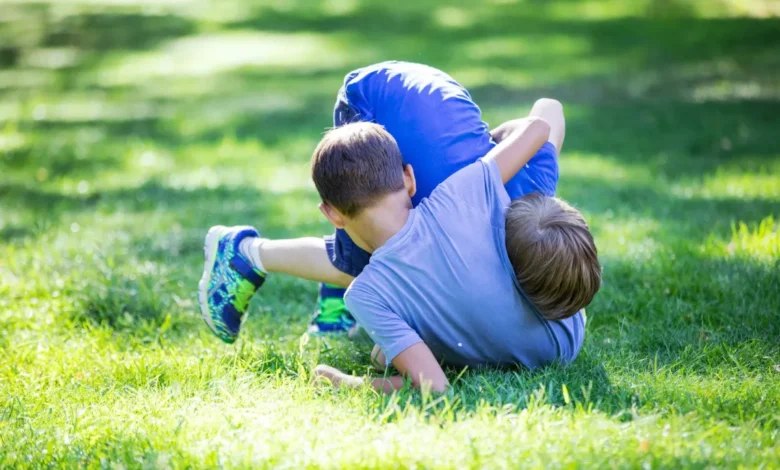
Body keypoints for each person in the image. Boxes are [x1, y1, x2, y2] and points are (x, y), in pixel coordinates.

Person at [197, 63, 601, 391]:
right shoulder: (464, 193)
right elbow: (540, 126)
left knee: (369, 299)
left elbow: (434, 387)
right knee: (373, 297)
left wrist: (351, 384)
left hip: (387, 98)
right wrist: (486, 153)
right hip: (565, 337)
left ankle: (250, 253)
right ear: (410, 178)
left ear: (330, 215)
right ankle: (252, 255)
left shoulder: (368, 293)